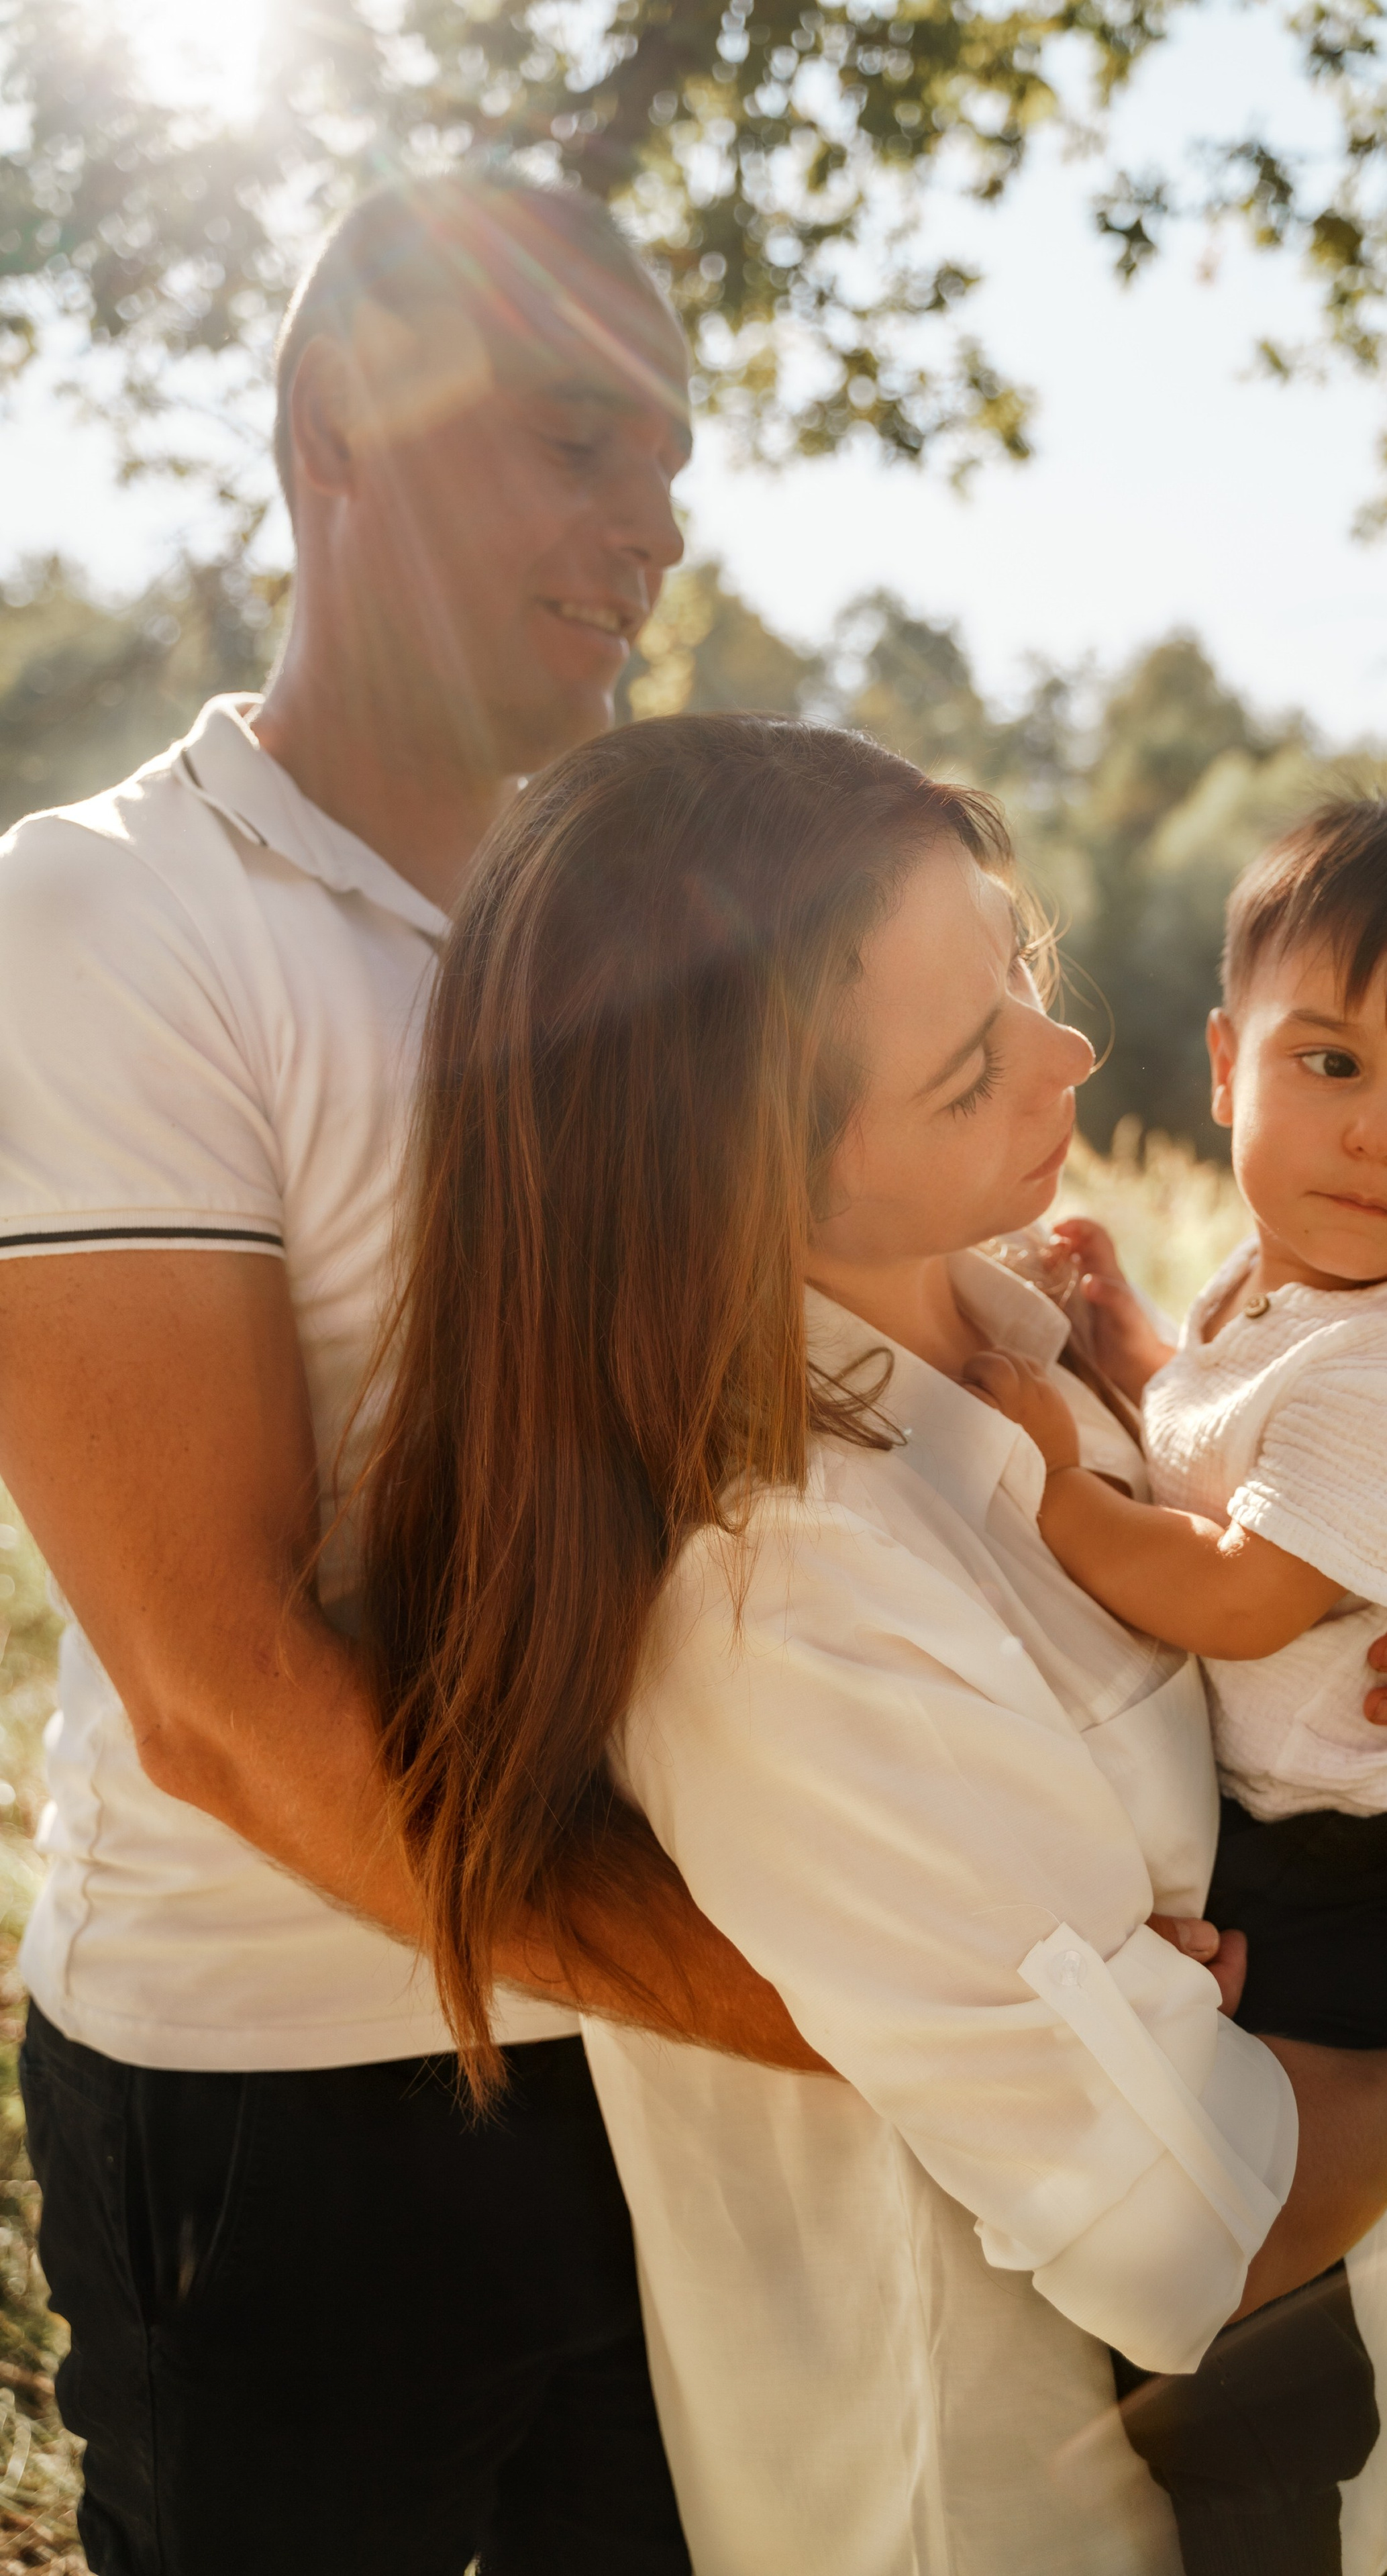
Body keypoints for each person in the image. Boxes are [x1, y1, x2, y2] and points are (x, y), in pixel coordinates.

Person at [357, 711, 1387, 2574]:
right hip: (1016, 2500)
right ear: (737, 1168)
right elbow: (1208, 2231)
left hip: (1285, 2422)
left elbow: (1327, 1518)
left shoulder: (1034, 1333)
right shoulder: (786, 1591)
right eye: (968, 1069)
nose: (1071, 1050)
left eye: (1020, 965)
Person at [0, 177, 816, 2576]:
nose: (653, 524)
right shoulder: (104, 914)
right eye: (576, 441)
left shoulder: (670, 953)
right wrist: (838, 2004)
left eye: (668, 462)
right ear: (332, 431)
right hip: (291, 2098)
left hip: (669, 2082)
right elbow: (220, 1692)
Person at [966, 769, 1387, 2572]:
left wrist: (1042, 1457)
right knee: (1218, 2231)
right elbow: (1225, 1443)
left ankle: (1267, 2506)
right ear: (1226, 1063)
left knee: (1244, 2258)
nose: (1384, 1136)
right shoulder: (1295, 1294)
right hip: (1306, 1840)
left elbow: (1243, 1590)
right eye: (1331, 1063)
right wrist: (1123, 1335)